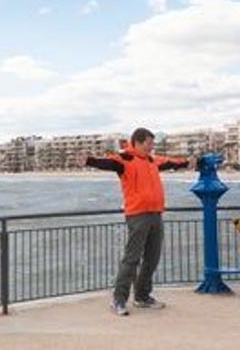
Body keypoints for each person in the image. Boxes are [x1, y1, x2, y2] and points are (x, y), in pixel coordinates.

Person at [81, 128, 192, 316]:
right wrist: (89, 161)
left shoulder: (151, 160)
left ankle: (142, 296)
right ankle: (119, 300)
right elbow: (107, 162)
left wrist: (188, 163)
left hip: (156, 214)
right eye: (149, 143)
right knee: (131, 259)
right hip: (137, 215)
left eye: (152, 143)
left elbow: (169, 163)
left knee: (152, 258)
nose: (151, 147)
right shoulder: (125, 159)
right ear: (138, 143)